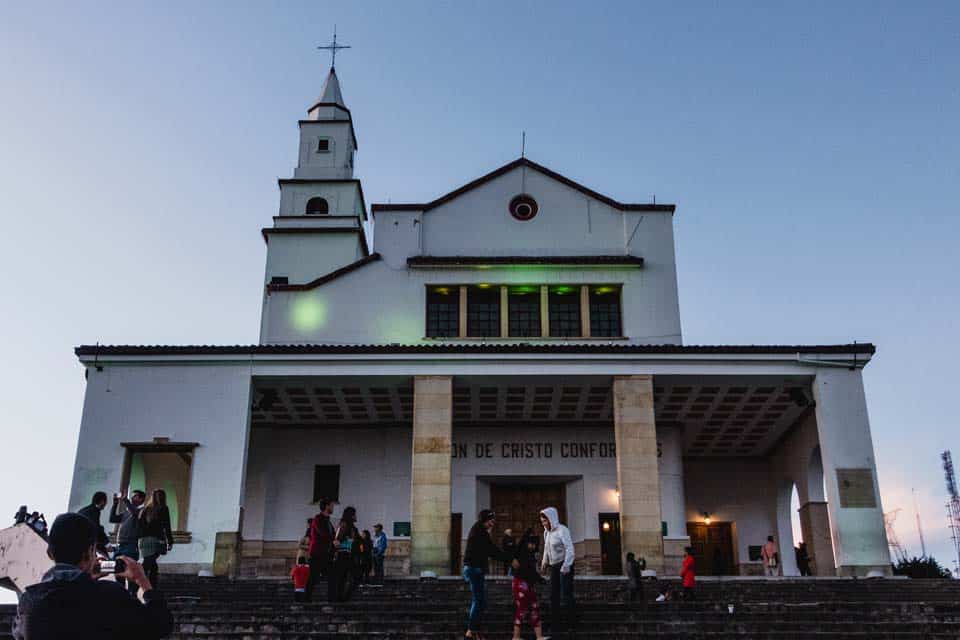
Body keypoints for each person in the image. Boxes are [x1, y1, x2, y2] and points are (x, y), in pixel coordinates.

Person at [13, 512, 173, 639]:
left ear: (50, 553)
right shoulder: (109, 594)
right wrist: (142, 580)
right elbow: (159, 625)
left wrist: (86, 581)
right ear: (90, 552)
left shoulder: (28, 602)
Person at [462, 508, 511, 639]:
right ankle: (471, 630)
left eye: (493, 521)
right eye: (490, 520)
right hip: (474, 569)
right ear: (485, 520)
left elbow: (490, 550)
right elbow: (492, 550)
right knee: (478, 601)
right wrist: (510, 559)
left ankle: (476, 631)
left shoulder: (478, 530)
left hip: (474, 569)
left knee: (480, 601)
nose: (492, 523)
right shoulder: (480, 532)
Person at [539, 507, 575, 637]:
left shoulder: (562, 530)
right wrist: (544, 562)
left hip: (565, 564)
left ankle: (571, 624)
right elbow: (546, 549)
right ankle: (556, 624)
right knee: (553, 595)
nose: (544, 524)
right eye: (542, 521)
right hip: (554, 566)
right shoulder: (546, 533)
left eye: (545, 521)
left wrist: (566, 566)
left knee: (566, 594)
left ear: (551, 519)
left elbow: (570, 548)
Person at [510, 533, 548, 640]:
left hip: (529, 585)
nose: (533, 546)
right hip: (520, 584)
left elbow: (532, 572)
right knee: (521, 609)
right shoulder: (522, 553)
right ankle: (516, 637)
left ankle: (539, 636)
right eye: (531, 544)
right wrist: (539, 579)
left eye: (535, 544)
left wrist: (539, 579)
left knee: (535, 607)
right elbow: (527, 571)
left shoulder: (531, 556)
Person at [109, 490, 146, 595]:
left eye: (135, 496)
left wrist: (125, 500)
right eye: (132, 496)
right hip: (120, 545)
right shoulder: (126, 512)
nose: (132, 498)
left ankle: (131, 594)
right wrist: (115, 504)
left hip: (131, 545)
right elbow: (112, 519)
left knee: (131, 571)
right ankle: (121, 593)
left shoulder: (142, 510)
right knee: (118, 571)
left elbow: (135, 513)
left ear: (141, 499)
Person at [138, 489, 174, 589]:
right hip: (156, 539)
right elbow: (167, 526)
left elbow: (140, 525)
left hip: (144, 540)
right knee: (149, 564)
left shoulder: (145, 509)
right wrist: (170, 541)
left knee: (150, 563)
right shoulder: (163, 508)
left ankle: (147, 586)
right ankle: (145, 585)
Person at [306, 498, 336, 601]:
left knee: (332, 576)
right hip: (317, 554)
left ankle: (331, 599)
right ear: (326, 506)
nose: (333, 507)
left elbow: (332, 534)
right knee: (313, 578)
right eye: (332, 505)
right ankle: (305, 599)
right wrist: (333, 540)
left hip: (326, 554)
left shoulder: (328, 521)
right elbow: (323, 533)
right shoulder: (317, 519)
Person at [330, 506, 360, 602]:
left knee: (355, 577)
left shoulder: (353, 528)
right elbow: (336, 540)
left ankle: (344, 598)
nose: (356, 516)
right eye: (354, 514)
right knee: (342, 578)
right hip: (342, 554)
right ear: (351, 515)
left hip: (349, 555)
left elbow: (357, 542)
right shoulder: (343, 525)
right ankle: (341, 598)